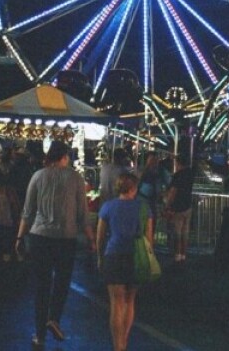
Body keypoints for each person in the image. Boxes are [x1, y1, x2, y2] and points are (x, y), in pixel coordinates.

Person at [15, 141, 96, 349]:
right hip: (66, 238)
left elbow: (27, 211)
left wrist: (19, 237)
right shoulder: (76, 178)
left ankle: (39, 336)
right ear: (65, 157)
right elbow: (83, 214)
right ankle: (54, 318)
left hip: (39, 237)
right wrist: (91, 238)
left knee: (42, 286)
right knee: (61, 282)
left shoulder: (38, 176)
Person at [96, 172, 153, 351]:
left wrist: (99, 257)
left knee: (116, 302)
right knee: (130, 300)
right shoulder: (144, 208)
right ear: (134, 188)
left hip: (113, 255)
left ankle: (117, 345)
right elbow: (149, 239)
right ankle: (125, 341)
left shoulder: (107, 207)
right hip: (135, 257)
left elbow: (100, 238)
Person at [164, 154, 195, 263]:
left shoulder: (177, 175)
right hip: (188, 205)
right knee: (185, 232)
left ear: (178, 163)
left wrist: (167, 205)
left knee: (177, 232)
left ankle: (177, 253)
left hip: (178, 206)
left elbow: (173, 191)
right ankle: (183, 254)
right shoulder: (190, 174)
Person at [137, 151, 166, 234]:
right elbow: (138, 181)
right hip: (143, 198)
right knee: (143, 220)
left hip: (154, 200)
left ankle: (150, 239)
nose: (154, 161)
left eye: (156, 159)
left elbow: (169, 182)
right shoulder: (142, 170)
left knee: (152, 220)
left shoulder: (161, 171)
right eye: (152, 159)